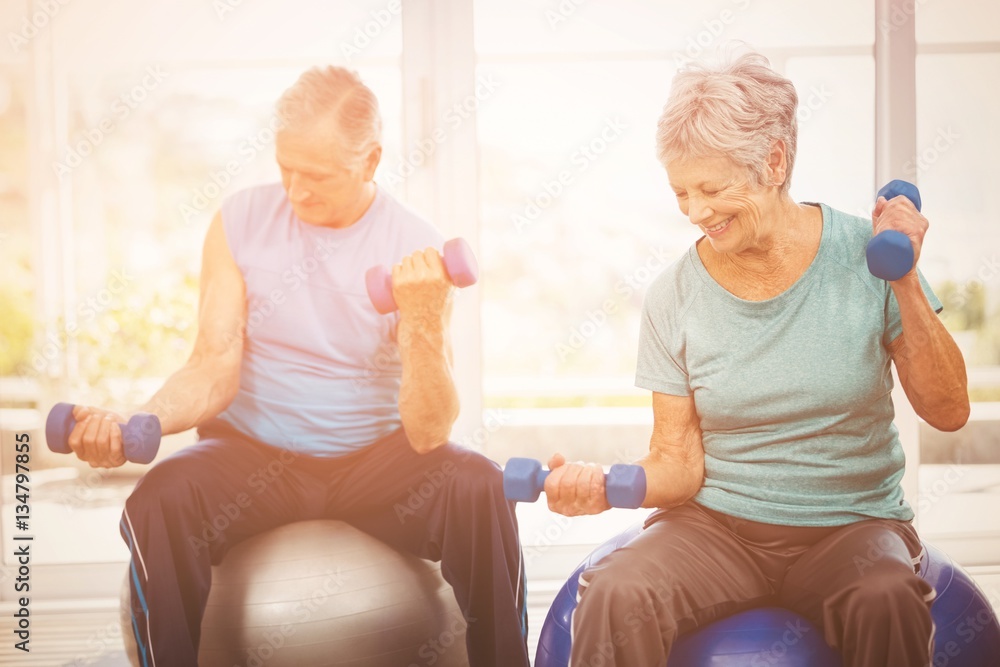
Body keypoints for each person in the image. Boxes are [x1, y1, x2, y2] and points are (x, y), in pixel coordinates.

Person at [67, 66, 529, 666]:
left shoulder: (414, 245)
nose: (296, 190)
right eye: (285, 168)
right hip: (254, 459)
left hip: (378, 465)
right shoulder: (239, 222)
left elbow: (429, 431)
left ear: (370, 162)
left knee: (480, 486)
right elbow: (212, 364)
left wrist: (421, 317)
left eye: (316, 176)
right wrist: (138, 422)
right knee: (160, 496)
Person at [543, 51, 970, 667]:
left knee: (887, 595)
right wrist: (603, 486)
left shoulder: (866, 255)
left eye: (712, 189)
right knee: (616, 588)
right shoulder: (674, 294)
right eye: (681, 192)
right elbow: (677, 463)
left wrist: (903, 279)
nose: (695, 212)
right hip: (715, 528)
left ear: (773, 162)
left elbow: (950, 410)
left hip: (850, 526)